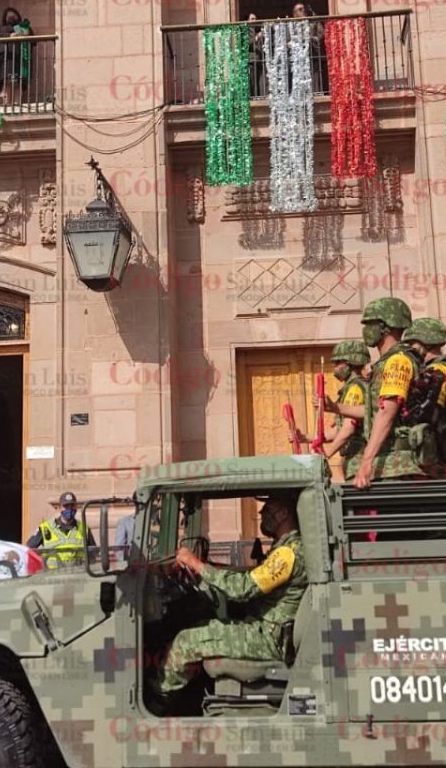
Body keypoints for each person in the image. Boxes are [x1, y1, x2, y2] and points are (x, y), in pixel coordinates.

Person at [149, 494, 306, 709]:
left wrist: (195, 564)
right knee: (200, 625)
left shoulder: (288, 553)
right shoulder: (285, 548)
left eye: (268, 509)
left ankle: (157, 705)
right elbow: (253, 579)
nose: (261, 514)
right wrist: (206, 570)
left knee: (185, 642)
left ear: (284, 514)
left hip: (269, 637)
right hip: (267, 630)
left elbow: (242, 589)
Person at [330, 297, 427, 488]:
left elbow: (387, 412)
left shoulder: (397, 361)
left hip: (396, 466)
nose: (365, 330)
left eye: (369, 324)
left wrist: (366, 463)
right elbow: (373, 410)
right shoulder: (386, 363)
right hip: (388, 463)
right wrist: (334, 407)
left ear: (384, 327)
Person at [400, 318, 446, 479]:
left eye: (412, 343)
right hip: (442, 455)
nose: (409, 349)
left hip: (441, 458)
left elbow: (429, 414)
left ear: (424, 343)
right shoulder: (441, 368)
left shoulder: (439, 370)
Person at [314, 340, 371, 482]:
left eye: (338, 363)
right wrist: (305, 437)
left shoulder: (355, 388)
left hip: (359, 459)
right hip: (353, 461)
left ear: (350, 363)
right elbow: (338, 430)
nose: (335, 368)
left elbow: (348, 429)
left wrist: (327, 453)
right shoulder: (351, 388)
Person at [26, 492, 96, 570]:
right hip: (52, 577)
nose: (69, 509)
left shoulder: (84, 528)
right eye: (66, 506)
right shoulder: (45, 528)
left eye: (72, 505)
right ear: (59, 508)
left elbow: (93, 553)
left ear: (76, 507)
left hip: (77, 576)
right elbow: (29, 549)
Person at [0, 7, 32, 105]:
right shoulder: (2, 28)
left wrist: (25, 33)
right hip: (7, 60)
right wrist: (10, 36)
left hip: (21, 60)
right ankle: (6, 105)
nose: (11, 17)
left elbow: (33, 40)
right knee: (7, 83)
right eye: (9, 16)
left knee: (18, 84)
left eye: (13, 16)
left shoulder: (23, 27)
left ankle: (17, 104)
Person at [291, 2, 327, 94]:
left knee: (314, 79)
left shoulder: (312, 21)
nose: (303, 10)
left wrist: (313, 39)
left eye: (303, 8)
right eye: (299, 9)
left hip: (312, 55)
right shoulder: (291, 25)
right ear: (295, 14)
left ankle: (316, 95)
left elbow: (321, 34)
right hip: (298, 59)